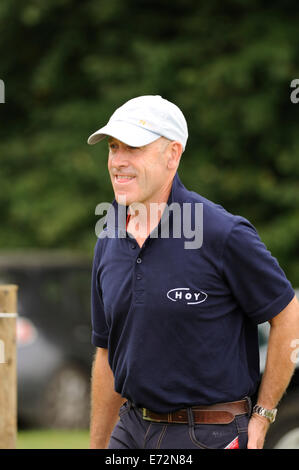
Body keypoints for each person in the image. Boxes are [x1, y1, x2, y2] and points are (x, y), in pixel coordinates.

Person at [87, 95, 299, 449]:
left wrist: (263, 417)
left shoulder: (222, 232)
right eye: (113, 147)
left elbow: (288, 315)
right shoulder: (109, 235)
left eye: (133, 148)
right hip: (130, 431)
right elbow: (107, 354)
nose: (118, 162)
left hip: (209, 434)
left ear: (172, 154)